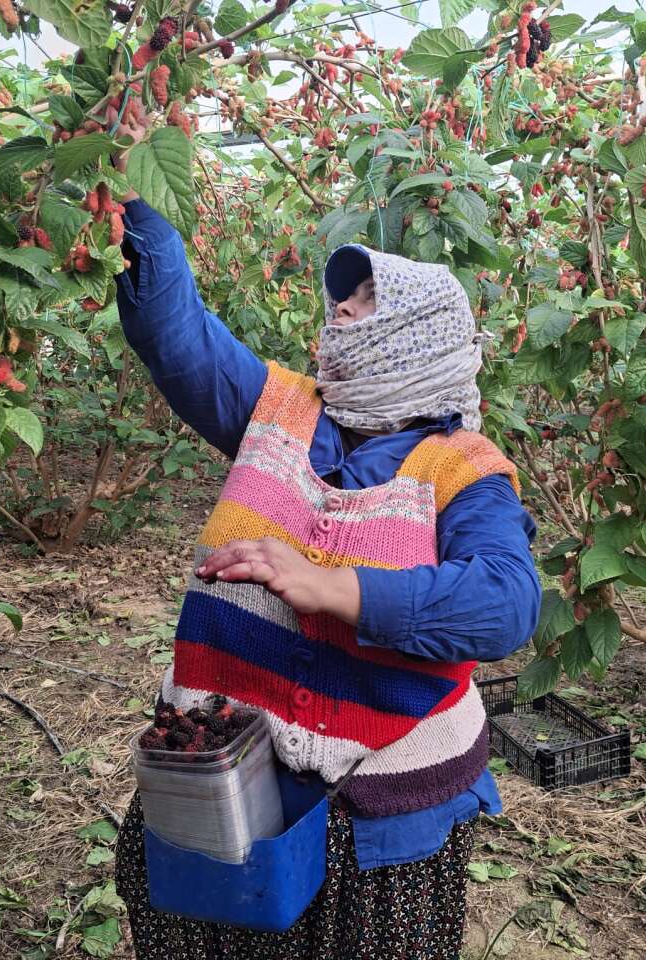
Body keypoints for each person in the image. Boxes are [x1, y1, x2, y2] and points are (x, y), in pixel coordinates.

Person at [107, 112, 541, 960]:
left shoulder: (462, 465)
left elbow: (505, 604)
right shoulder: (283, 406)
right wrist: (132, 196)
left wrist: (336, 587)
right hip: (230, 757)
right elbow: (177, 336)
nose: (340, 308)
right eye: (344, 295)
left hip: (381, 807)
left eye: (367, 299)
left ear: (419, 334)